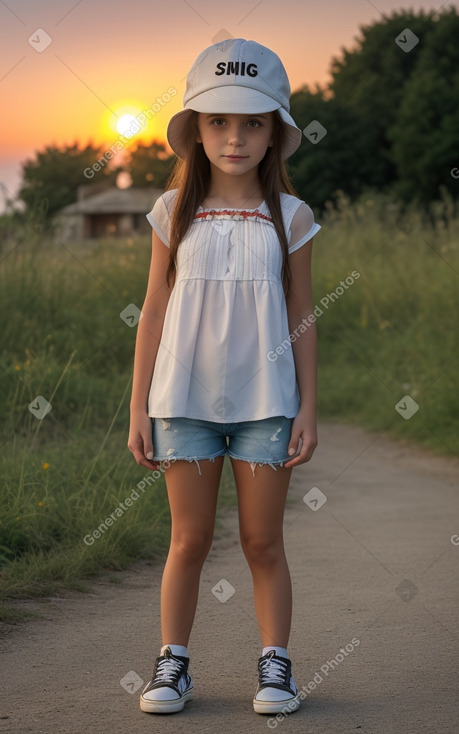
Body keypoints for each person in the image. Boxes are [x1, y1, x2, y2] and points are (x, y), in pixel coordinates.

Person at [127, 37, 321, 716]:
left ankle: (275, 667)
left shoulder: (290, 217)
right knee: (189, 538)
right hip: (182, 403)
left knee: (262, 541)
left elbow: (301, 311)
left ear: (274, 132)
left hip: (267, 404)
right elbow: (152, 312)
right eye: (218, 121)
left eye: (252, 122)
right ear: (195, 130)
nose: (234, 137)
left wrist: (306, 407)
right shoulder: (169, 211)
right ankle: (172, 666)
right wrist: (136, 409)